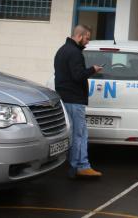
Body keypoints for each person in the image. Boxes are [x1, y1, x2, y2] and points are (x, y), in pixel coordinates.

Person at [53, 24, 103, 178]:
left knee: (71, 133)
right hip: (75, 100)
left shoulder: (62, 50)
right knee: (80, 134)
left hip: (64, 98)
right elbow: (78, 75)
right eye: (87, 38)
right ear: (79, 36)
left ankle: (73, 166)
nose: (87, 42)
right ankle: (81, 166)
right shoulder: (75, 53)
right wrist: (93, 69)